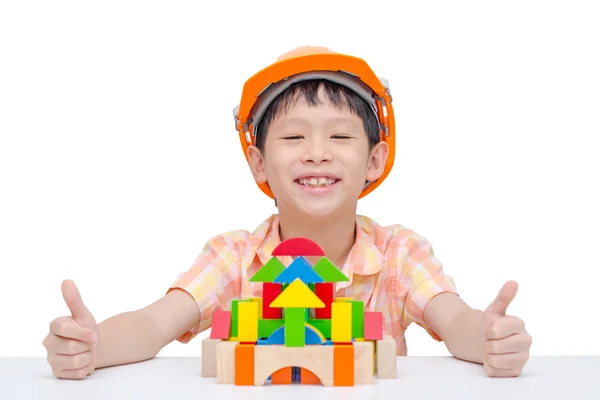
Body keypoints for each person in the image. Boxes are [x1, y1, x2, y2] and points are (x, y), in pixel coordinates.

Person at [42, 46, 532, 380]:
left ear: (375, 160)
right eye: (294, 137)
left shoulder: (399, 254)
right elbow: (152, 325)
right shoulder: (233, 257)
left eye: (339, 136)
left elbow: (457, 323)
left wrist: (489, 340)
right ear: (259, 163)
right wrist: (95, 345)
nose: (317, 153)